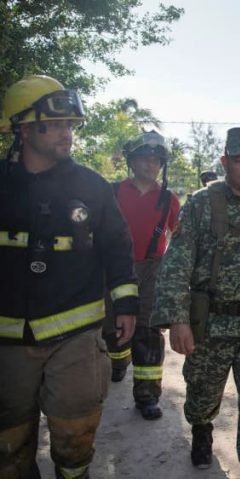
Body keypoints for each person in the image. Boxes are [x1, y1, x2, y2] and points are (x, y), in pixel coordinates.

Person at [0, 75, 137, 478]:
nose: (67, 133)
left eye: (71, 125)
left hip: (76, 338)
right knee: (8, 446)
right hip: (6, 343)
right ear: (24, 128)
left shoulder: (91, 186)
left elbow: (117, 246)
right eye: (56, 124)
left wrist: (126, 304)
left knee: (75, 437)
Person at [151, 127, 240, 478]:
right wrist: (178, 320)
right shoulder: (202, 204)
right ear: (225, 161)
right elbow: (176, 263)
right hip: (210, 323)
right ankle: (202, 429)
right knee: (203, 394)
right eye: (239, 160)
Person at [102, 131, 180, 420]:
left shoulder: (169, 199)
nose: (150, 164)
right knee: (112, 327)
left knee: (148, 329)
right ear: (131, 161)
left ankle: (147, 394)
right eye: (144, 158)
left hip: (151, 268)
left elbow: (180, 236)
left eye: (156, 159)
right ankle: (118, 361)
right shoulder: (111, 192)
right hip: (113, 268)